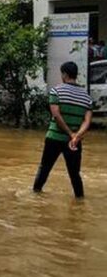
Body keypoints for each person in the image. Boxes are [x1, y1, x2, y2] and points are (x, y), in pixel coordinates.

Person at [33, 61, 93, 198]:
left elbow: (56, 115)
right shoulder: (86, 97)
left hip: (54, 138)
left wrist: (70, 133)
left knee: (45, 169)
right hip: (74, 142)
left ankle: (35, 196)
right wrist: (76, 136)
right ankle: (80, 201)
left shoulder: (56, 91)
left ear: (64, 74)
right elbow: (87, 121)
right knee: (75, 174)